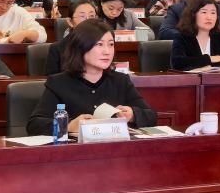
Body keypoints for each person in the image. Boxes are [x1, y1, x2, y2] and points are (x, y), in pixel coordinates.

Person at [26, 19, 156, 136]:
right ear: (80, 47)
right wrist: (68, 125)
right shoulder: (59, 83)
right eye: (99, 44)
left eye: (111, 44)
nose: (107, 51)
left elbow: (151, 116)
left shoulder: (121, 80)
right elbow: (34, 125)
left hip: (115, 150)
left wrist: (132, 114)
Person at [170, 0, 220, 70]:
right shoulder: (182, 37)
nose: (209, 17)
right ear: (193, 15)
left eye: (213, 13)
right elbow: (177, 63)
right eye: (204, 12)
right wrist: (209, 59)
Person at [46, 0, 98, 75]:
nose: (88, 20)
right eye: (82, 16)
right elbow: (52, 79)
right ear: (70, 22)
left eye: (91, 16)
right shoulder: (57, 49)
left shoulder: (103, 44)